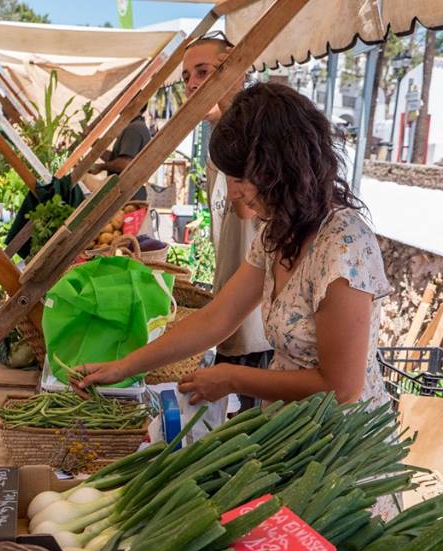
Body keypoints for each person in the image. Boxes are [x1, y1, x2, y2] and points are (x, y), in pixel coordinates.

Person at [76, 83, 390, 411]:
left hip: (340, 445)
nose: (233, 192)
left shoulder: (343, 247)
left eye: (240, 179)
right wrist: (123, 367)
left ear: (282, 169)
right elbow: (215, 319)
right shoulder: (277, 232)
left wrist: (233, 378)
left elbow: (341, 388)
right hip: (288, 428)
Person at [182, 32, 272, 412]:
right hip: (233, 299)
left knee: (253, 424)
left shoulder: (250, 131)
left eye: (204, 72)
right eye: (186, 77)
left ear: (237, 67)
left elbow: (246, 211)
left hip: (258, 317)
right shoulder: (217, 136)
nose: (192, 85)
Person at [90, 107, 152, 201]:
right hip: (130, 193)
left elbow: (125, 164)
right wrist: (95, 146)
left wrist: (101, 167)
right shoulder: (137, 127)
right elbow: (116, 159)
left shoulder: (133, 130)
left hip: (127, 196)